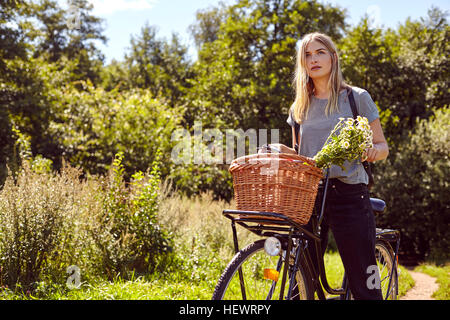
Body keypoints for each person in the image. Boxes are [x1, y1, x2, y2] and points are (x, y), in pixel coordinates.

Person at [266, 32, 389, 300]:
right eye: (307, 55)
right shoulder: (299, 106)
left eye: (320, 52)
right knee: (300, 278)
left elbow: (383, 147)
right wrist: (276, 151)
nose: (314, 59)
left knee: (363, 281)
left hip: (349, 194)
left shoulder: (356, 98)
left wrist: (371, 151)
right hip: (310, 195)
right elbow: (301, 155)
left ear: (333, 57)